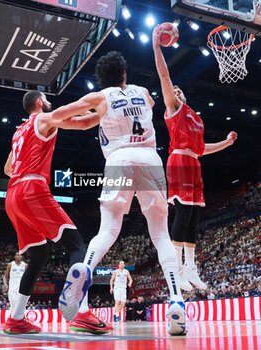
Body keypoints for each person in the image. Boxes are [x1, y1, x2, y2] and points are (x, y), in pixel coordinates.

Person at [58, 51, 186, 336]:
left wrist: (49, 120)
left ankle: (87, 269)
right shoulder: (142, 92)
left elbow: (70, 116)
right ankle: (176, 298)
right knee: (161, 235)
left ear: (102, 79)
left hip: (118, 159)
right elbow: (158, 100)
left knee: (109, 229)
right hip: (150, 159)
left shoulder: (101, 98)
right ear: (125, 74)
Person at [3, 90, 111, 335]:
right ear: (40, 102)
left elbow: (8, 168)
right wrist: (104, 110)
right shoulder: (42, 119)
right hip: (32, 189)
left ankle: (17, 318)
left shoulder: (18, 131)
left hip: (13, 194)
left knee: (40, 254)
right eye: (46, 99)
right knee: (76, 246)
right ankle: (81, 313)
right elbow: (82, 122)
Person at [152, 25, 238, 291]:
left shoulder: (195, 118)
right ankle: (176, 267)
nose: (175, 92)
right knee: (183, 212)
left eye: (179, 91)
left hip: (193, 162)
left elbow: (202, 150)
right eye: (173, 92)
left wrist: (226, 142)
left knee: (194, 218)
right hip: (178, 161)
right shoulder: (174, 109)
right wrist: (156, 47)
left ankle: (190, 267)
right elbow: (165, 76)